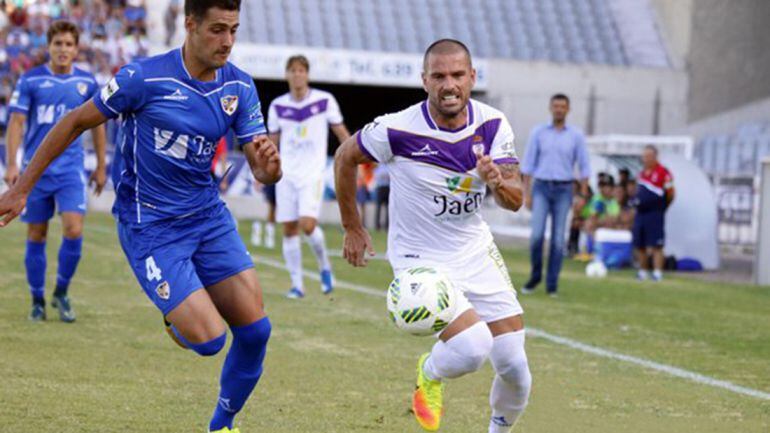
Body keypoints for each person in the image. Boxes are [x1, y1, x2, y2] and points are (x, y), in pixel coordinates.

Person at [0, 2, 281, 432]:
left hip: (207, 217)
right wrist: (20, 188)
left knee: (257, 332)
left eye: (234, 30)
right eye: (217, 29)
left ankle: (222, 425)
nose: (227, 41)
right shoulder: (142, 78)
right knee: (210, 341)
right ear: (190, 25)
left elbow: (262, 169)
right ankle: (174, 308)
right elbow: (76, 121)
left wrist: (270, 167)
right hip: (149, 225)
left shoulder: (239, 87)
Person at [335, 39, 531, 433]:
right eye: (439, 76)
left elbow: (515, 201)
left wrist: (496, 182)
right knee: (473, 347)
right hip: (419, 259)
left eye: (458, 75)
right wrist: (353, 227)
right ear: (424, 81)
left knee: (515, 367)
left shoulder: (493, 125)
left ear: (472, 77)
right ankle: (429, 370)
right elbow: (345, 157)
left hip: (475, 252)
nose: (449, 84)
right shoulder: (396, 129)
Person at [3, 20, 107, 323]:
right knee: (37, 233)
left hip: (70, 169)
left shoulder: (87, 83)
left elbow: (97, 126)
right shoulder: (31, 80)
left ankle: (61, 292)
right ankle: (37, 298)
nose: (63, 49)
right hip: (35, 172)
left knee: (74, 229)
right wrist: (12, 164)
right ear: (49, 46)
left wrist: (100, 165)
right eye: (58, 43)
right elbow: (17, 123)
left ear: (76, 49)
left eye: (69, 44)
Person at [266, 54, 351, 299]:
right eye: (292, 70)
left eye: (301, 70)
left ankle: (325, 266)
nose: (297, 74)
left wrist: (352, 156)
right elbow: (273, 142)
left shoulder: (325, 101)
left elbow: (341, 133)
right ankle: (297, 286)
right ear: (286, 75)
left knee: (307, 224)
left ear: (307, 74)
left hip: (312, 173)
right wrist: (267, 169)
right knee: (290, 229)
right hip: (286, 175)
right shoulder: (278, 106)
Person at [520, 93, 590, 296]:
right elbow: (528, 165)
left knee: (559, 240)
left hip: (564, 190)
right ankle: (535, 277)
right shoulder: (538, 132)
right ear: (550, 108)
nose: (559, 109)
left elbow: (584, 167)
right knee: (536, 236)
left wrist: (582, 197)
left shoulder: (576, 135)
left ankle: (552, 284)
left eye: (563, 106)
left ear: (568, 109)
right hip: (541, 187)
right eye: (556, 106)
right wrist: (527, 193)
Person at [633, 145, 675, 281]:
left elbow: (671, 193)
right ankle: (643, 271)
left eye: (648, 156)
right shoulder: (642, 173)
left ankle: (657, 272)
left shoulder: (664, 172)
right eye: (644, 156)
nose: (645, 159)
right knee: (640, 244)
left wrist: (662, 206)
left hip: (655, 213)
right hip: (641, 213)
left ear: (655, 157)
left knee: (656, 244)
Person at [250, 183, 276, 249]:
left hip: (277, 180)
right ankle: (256, 233)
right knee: (260, 205)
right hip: (267, 179)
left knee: (273, 206)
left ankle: (270, 236)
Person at [373, 162, 390, 230]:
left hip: (387, 188)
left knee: (388, 209)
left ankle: (387, 226)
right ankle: (377, 225)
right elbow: (377, 176)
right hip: (380, 188)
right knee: (378, 208)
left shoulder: (389, 166)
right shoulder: (379, 166)